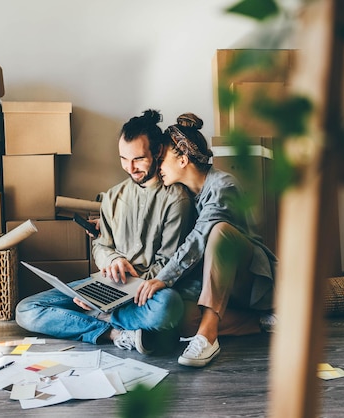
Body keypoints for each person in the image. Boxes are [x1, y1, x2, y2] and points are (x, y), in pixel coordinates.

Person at [15, 109, 194, 354]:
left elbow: (167, 263)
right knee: (26, 310)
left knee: (168, 307)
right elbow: (101, 245)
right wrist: (112, 260)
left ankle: (100, 315)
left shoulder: (176, 199)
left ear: (157, 152)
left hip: (144, 290)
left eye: (138, 159)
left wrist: (114, 299)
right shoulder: (113, 196)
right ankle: (114, 332)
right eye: (123, 158)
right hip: (106, 283)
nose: (130, 168)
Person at [154, 113, 278, 367]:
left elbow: (199, 239)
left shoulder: (223, 186)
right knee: (181, 315)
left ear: (182, 159)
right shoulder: (185, 194)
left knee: (219, 233)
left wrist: (162, 279)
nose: (158, 167)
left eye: (162, 159)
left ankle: (208, 336)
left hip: (252, 283)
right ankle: (262, 322)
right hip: (222, 292)